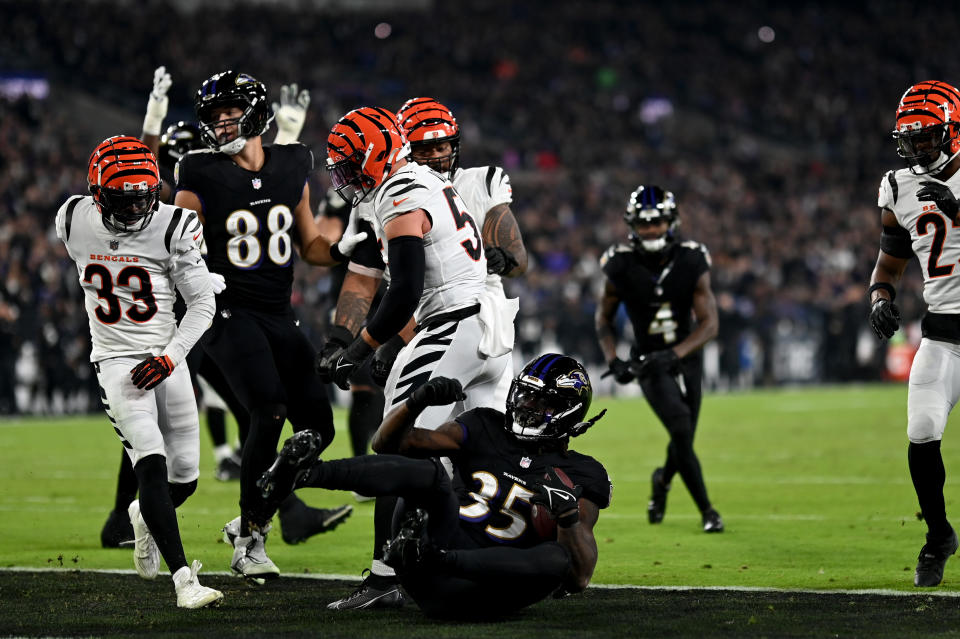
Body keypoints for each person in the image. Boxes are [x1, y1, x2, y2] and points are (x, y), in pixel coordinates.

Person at [99, 70, 315, 547]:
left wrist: (290, 136)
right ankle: (124, 515)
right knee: (164, 412)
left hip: (209, 306)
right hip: (178, 314)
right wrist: (153, 120)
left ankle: (280, 512)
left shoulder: (225, 164)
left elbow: (265, 178)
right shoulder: (191, 172)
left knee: (255, 408)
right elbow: (142, 184)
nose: (220, 132)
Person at [316, 106, 515, 608]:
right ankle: (496, 559)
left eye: (348, 163)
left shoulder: (400, 192)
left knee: (393, 447)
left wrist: (360, 350)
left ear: (376, 154)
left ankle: (386, 578)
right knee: (483, 453)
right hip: (488, 325)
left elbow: (403, 291)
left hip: (452, 325)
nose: (343, 175)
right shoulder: (423, 181)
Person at [173, 70, 360, 581]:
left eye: (229, 112)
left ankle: (251, 516)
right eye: (212, 116)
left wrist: (347, 246)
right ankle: (252, 540)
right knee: (269, 408)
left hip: (278, 313)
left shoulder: (292, 163)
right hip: (227, 312)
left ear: (254, 113)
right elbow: (177, 246)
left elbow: (312, 246)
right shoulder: (200, 171)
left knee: (318, 429)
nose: (220, 123)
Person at [258, 354, 611, 619]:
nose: (526, 405)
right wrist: (416, 402)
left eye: (540, 400)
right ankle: (304, 475)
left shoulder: (583, 473)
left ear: (568, 411)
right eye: (524, 395)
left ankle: (439, 559)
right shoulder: (486, 424)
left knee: (556, 558)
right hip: (427, 552)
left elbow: (579, 576)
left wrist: (566, 517)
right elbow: (389, 444)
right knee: (428, 473)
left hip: (485, 590)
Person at [56, 135, 223, 608]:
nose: (132, 209)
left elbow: (203, 305)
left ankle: (143, 516)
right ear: (96, 192)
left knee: (185, 478)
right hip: (116, 364)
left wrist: (169, 356)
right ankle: (184, 583)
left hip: (166, 357)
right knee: (150, 465)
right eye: (121, 198)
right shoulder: (74, 218)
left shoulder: (168, 225)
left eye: (140, 197)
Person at [869, 80, 960, 588]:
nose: (919, 146)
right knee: (922, 434)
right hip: (944, 337)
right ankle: (940, 535)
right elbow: (888, 265)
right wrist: (880, 298)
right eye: (912, 137)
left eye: (928, 136)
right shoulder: (898, 186)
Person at [595, 185, 722, 533]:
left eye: (657, 222)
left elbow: (710, 324)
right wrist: (613, 359)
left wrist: (676, 354)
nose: (651, 230)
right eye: (644, 223)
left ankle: (662, 480)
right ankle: (708, 511)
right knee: (680, 427)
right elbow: (603, 318)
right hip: (649, 360)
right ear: (632, 225)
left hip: (687, 355)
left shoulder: (692, 258)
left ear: (671, 222)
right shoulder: (619, 263)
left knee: (685, 438)